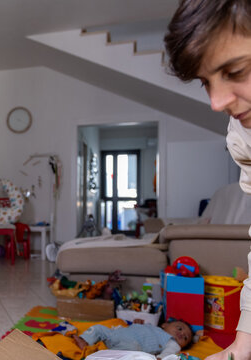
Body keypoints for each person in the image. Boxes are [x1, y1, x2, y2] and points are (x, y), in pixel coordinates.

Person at [164, 1, 251, 359]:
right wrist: (242, 346)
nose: (216, 102)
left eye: (237, 70)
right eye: (205, 82)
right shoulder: (242, 136)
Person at [71, 320, 193, 358]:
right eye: (180, 328)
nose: (181, 334)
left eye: (186, 338)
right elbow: (129, 329)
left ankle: (103, 355)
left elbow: (169, 353)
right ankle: (85, 340)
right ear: (165, 324)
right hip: (119, 334)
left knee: (133, 351)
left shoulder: (172, 342)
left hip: (134, 345)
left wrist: (160, 358)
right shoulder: (150, 326)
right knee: (99, 328)